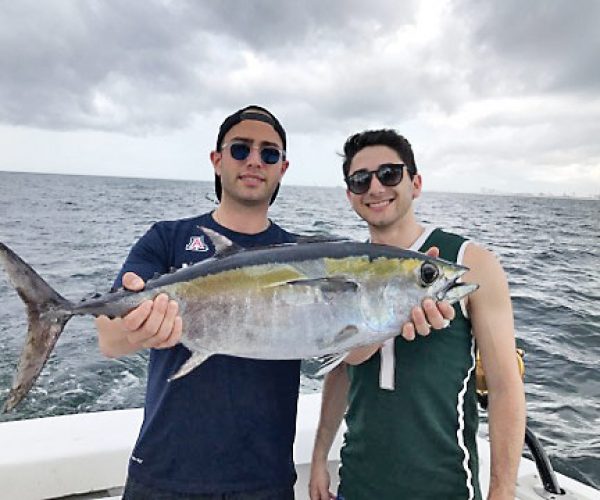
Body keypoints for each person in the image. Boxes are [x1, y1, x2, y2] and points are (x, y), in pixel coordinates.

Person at [95, 109, 453, 499]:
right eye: (240, 149)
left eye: (268, 154)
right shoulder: (166, 239)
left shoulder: (311, 252)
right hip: (163, 474)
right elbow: (110, 341)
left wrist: (402, 312)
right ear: (217, 160)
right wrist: (144, 327)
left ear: (282, 168)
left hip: (265, 481)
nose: (253, 160)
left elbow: (349, 349)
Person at [309, 130, 526, 500]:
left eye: (390, 174)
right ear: (350, 196)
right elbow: (342, 370)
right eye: (360, 180)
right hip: (357, 485)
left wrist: (502, 491)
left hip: (446, 489)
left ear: (416, 182)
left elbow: (506, 387)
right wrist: (318, 457)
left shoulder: (468, 262)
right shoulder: (345, 271)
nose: (375, 188)